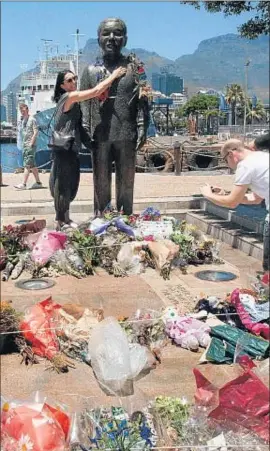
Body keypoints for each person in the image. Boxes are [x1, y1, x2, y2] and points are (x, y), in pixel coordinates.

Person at [80, 17, 150, 216]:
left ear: (125, 39)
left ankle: (126, 219)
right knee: (101, 183)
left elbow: (144, 100)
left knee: (126, 184)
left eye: (117, 33)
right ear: (99, 38)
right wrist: (85, 130)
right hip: (99, 135)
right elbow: (83, 104)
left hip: (127, 134)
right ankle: (101, 220)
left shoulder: (135, 68)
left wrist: (144, 126)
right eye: (106, 33)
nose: (112, 38)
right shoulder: (90, 71)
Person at [49, 66, 126, 230]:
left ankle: (66, 219)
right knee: (62, 184)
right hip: (64, 149)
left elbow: (78, 126)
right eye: (69, 80)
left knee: (70, 184)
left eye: (75, 78)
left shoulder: (74, 102)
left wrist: (90, 144)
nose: (74, 82)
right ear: (62, 85)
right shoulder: (68, 97)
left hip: (72, 148)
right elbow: (96, 91)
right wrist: (113, 76)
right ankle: (61, 220)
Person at [200, 139, 269, 272]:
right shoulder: (263, 157)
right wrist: (224, 194)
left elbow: (232, 203)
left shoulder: (245, 165)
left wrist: (208, 195)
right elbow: (256, 198)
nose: (228, 165)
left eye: (225, 160)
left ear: (231, 154)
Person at [14, 104, 42, 190]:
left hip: (30, 145)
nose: (22, 113)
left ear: (27, 110)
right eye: (21, 111)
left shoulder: (32, 119)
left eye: (23, 111)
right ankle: (38, 183)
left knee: (27, 165)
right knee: (32, 165)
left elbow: (36, 132)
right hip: (25, 145)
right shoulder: (23, 121)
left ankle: (24, 184)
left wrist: (31, 143)